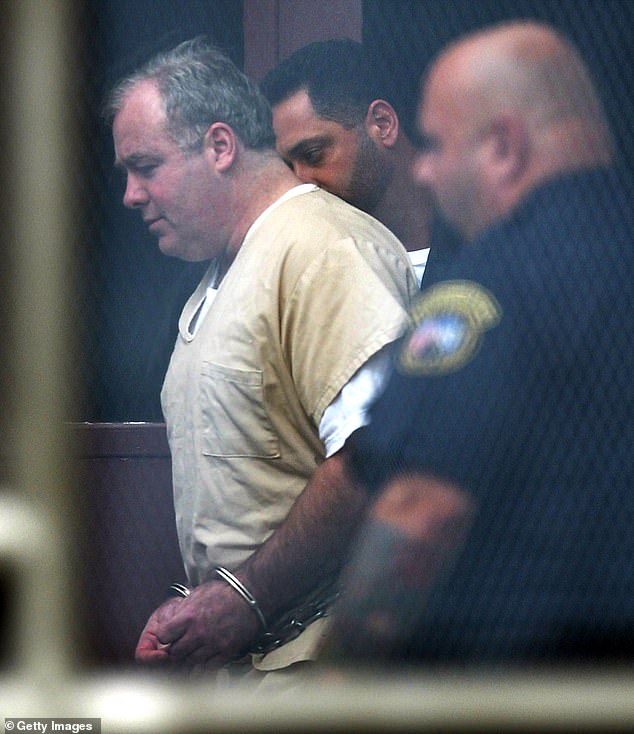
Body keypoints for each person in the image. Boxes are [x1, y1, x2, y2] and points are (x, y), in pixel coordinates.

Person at [105, 38, 418, 683]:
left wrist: (241, 597)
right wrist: (200, 609)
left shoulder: (324, 246)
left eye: (146, 166)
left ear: (220, 147)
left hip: (323, 670)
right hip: (253, 670)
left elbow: (376, 456)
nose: (131, 195)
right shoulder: (220, 268)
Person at [324, 20, 634, 665]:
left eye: (435, 144)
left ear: (503, 146)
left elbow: (419, 510)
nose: (427, 172)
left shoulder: (489, 292)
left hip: (513, 686)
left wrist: (339, 688)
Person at [260, 38, 436, 286]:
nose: (299, 181)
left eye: (313, 154)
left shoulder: (489, 250)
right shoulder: (307, 272)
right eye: (288, 167)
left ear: (382, 124)